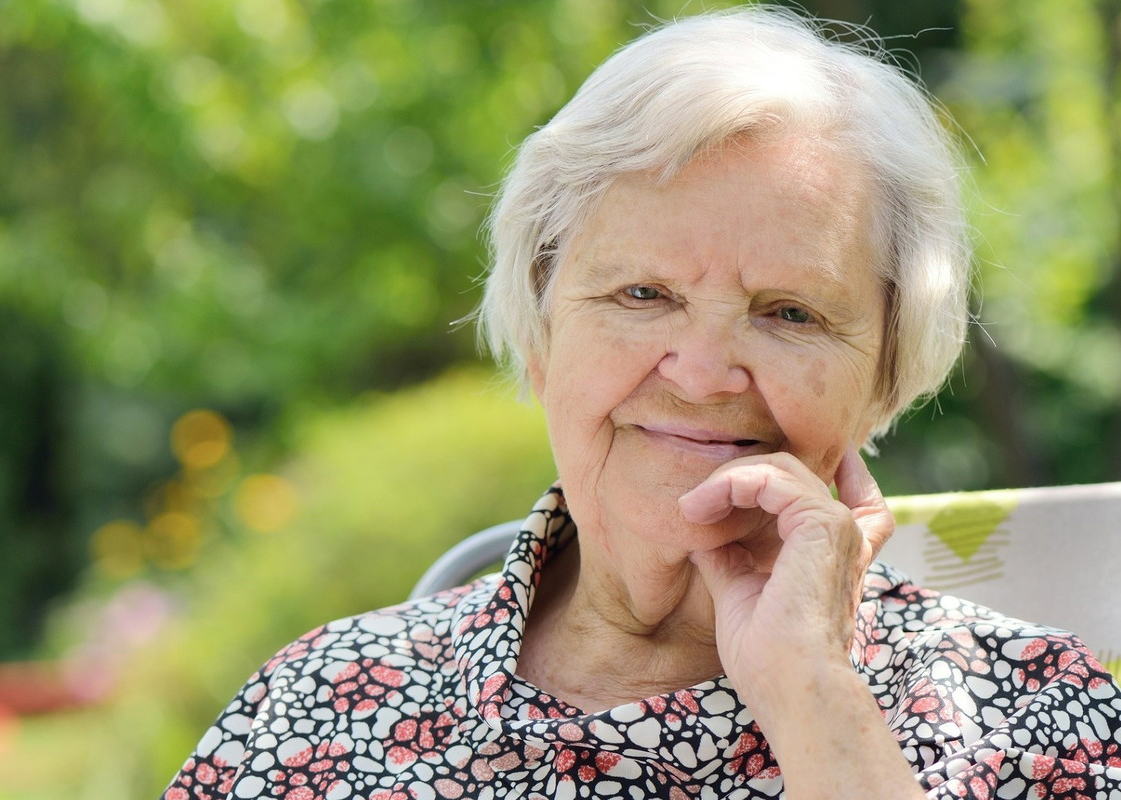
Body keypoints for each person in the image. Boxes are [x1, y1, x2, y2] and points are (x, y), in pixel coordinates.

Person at [162, 7, 1121, 799]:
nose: (703, 371)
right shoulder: (323, 710)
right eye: (642, 295)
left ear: (885, 374)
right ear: (542, 330)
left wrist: (816, 703)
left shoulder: (1032, 718)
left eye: (788, 313)